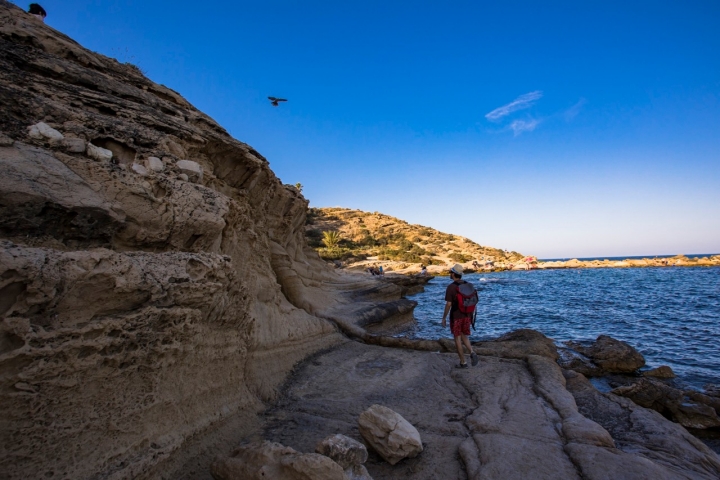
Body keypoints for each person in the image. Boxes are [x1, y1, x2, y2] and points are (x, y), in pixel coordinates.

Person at [442, 264, 478, 369]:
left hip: (456, 315)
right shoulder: (467, 284)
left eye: (450, 272)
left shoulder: (451, 287)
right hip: (467, 314)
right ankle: (472, 352)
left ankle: (463, 362)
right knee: (464, 335)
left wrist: (444, 318)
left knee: (457, 338)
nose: (450, 274)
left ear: (453, 274)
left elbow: (449, 304)